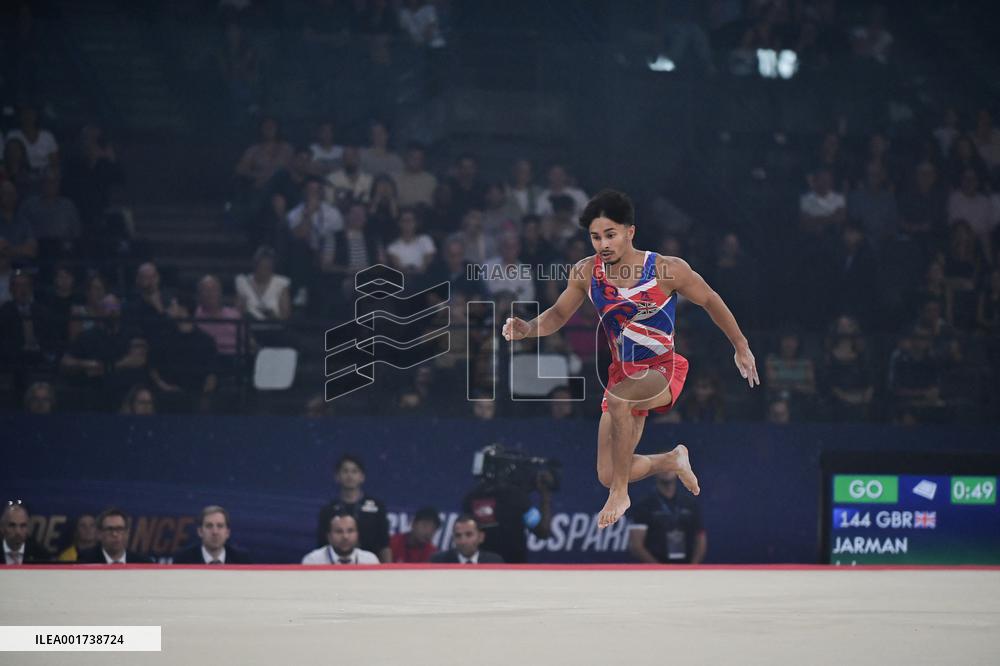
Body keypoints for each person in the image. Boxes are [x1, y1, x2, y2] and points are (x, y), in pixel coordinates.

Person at [502, 189, 759, 528]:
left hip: (661, 370)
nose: (603, 244)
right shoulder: (585, 273)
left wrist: (740, 344)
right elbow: (558, 315)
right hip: (621, 374)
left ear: (630, 232)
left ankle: (621, 494)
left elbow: (710, 300)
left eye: (610, 234)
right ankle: (671, 460)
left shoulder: (666, 269)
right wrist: (527, 328)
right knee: (608, 472)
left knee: (620, 406)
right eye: (595, 237)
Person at [462, 468, 553, 565]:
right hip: (511, 570)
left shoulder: (472, 497)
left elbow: (542, 532)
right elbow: (543, 531)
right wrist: (545, 494)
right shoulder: (516, 496)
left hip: (487, 570)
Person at [315, 454, 391, 561]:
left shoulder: (377, 507)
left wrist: (387, 572)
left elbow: (384, 545)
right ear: (337, 477)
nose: (349, 476)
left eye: (354, 471)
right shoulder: (328, 510)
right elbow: (322, 547)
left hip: (370, 566)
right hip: (336, 567)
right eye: (345, 471)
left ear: (362, 477)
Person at [627, 471, 706, 564]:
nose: (666, 469)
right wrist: (660, 569)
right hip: (656, 570)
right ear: (655, 471)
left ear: (678, 470)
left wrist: (692, 568)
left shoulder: (689, 503)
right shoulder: (644, 505)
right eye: (662, 465)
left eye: (670, 465)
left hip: (686, 567)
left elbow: (700, 537)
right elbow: (636, 545)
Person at [172, 505, 252, 564]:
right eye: (209, 526)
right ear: (200, 532)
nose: (215, 532)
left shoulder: (242, 560)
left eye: (220, 526)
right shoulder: (183, 560)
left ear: (227, 533)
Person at [76, 507, 153, 564]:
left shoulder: (143, 562)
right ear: (99, 534)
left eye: (119, 529)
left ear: (127, 533)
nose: (115, 534)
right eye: (109, 529)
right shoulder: (85, 561)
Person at [302, 513, 380, 565]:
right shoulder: (313, 561)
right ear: (329, 536)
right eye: (339, 531)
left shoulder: (370, 560)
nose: (345, 536)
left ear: (357, 534)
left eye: (350, 531)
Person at [430, 514, 504, 564]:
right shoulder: (439, 561)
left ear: (481, 537)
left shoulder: (494, 562)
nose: (463, 541)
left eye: (469, 535)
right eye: (458, 535)